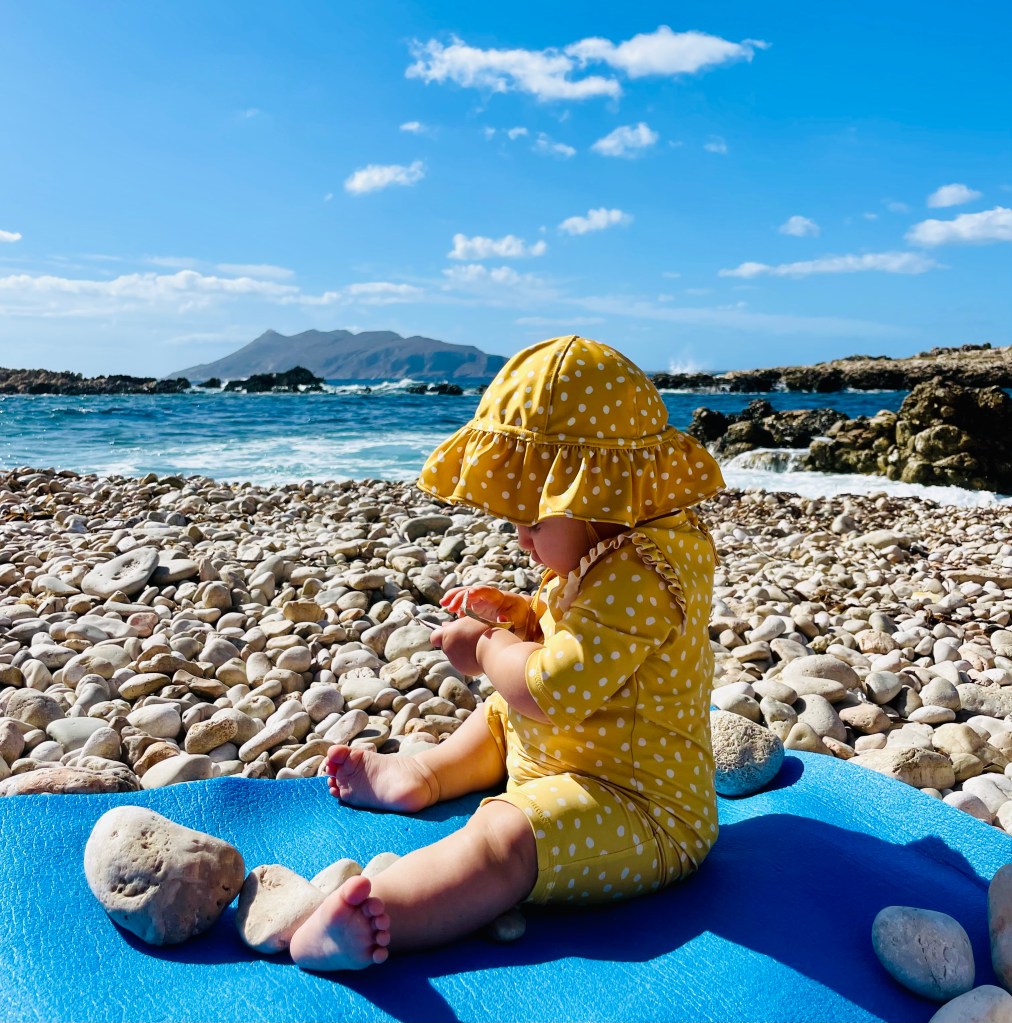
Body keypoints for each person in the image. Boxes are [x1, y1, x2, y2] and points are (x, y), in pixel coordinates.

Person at [289, 335, 725, 970]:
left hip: (639, 808)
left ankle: (383, 915)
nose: (521, 537)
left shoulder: (641, 576)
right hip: (574, 748)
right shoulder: (612, 544)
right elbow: (585, 641)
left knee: (506, 838)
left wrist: (488, 644)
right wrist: (522, 616)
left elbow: (549, 690)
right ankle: (424, 773)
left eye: (535, 520)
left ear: (595, 494)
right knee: (497, 716)